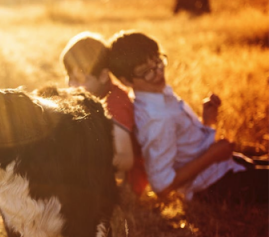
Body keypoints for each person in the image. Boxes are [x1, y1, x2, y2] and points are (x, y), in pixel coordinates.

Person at [106, 30, 269, 202]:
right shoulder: (156, 119)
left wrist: (207, 121)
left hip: (224, 166)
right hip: (217, 184)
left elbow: (185, 147)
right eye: (147, 71)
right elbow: (162, 186)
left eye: (158, 62)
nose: (158, 73)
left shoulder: (159, 96)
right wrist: (212, 156)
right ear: (126, 81)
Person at [60, 31, 148, 195]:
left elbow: (126, 160)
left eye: (80, 80)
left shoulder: (115, 104)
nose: (72, 86)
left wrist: (90, 162)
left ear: (103, 76)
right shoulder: (90, 96)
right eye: (69, 78)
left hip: (126, 182)